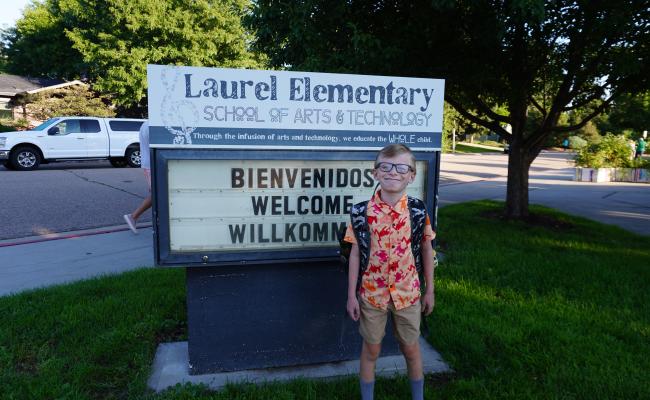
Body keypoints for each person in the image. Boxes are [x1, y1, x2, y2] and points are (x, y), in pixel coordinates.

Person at [343, 144, 436, 400]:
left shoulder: (417, 211)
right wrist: (351, 295)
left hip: (408, 294)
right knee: (371, 351)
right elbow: (354, 254)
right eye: (385, 166)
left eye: (401, 167)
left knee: (411, 350)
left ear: (411, 175)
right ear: (375, 173)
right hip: (372, 295)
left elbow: (426, 249)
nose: (393, 172)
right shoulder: (362, 213)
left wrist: (430, 291)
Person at [124, 120, 151, 234]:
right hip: (152, 163)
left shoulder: (146, 124)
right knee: (158, 194)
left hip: (149, 163)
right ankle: (133, 216)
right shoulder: (152, 125)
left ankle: (134, 217)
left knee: (159, 194)